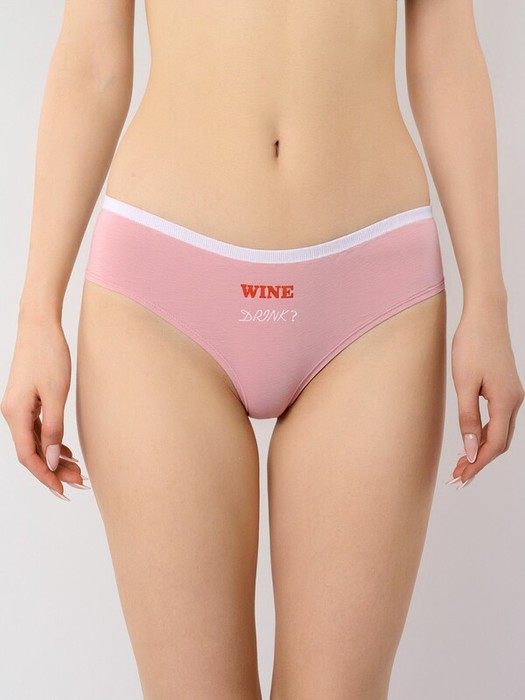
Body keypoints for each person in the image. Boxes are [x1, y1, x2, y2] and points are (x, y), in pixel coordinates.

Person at [2, 1, 523, 698]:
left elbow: (446, 50)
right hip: (161, 290)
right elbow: (92, 56)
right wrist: (37, 313)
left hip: (371, 293)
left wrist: (487, 299)